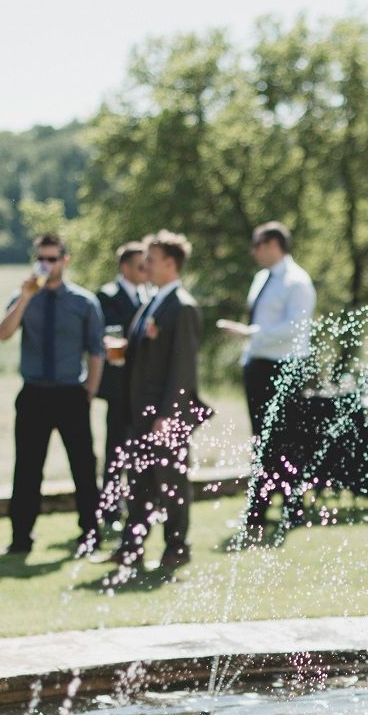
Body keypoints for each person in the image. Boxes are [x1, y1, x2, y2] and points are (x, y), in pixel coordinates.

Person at [0, 233, 106, 556]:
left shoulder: (84, 302)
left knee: (83, 468)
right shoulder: (23, 296)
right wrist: (26, 298)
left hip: (72, 394)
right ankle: (20, 539)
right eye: (41, 258)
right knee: (27, 469)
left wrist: (91, 391)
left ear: (65, 261)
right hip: (33, 394)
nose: (47, 264)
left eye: (53, 258)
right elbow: (3, 334)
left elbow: (96, 350)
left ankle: (90, 535)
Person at [115, 231, 209, 571]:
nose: (145, 265)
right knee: (140, 481)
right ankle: (132, 546)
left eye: (151, 260)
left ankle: (177, 547)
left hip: (165, 415)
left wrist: (169, 414)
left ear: (170, 263)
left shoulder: (182, 307)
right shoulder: (151, 302)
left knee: (170, 482)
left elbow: (183, 368)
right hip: (141, 411)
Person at [218, 221, 316, 535]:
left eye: (257, 245)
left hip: (284, 368)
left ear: (274, 244)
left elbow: (297, 327)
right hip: (258, 366)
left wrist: (251, 334)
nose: (253, 252)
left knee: (284, 439)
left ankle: (291, 507)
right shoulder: (262, 278)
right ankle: (260, 507)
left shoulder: (297, 281)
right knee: (262, 439)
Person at [96, 241, 147, 507]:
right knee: (115, 447)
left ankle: (139, 501)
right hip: (118, 385)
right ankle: (111, 506)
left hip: (141, 385)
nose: (145, 270)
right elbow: (106, 333)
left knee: (140, 448)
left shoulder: (147, 294)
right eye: (140, 266)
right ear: (125, 267)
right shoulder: (107, 295)